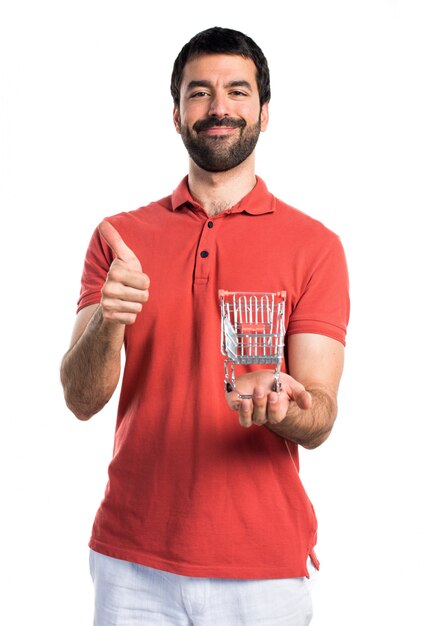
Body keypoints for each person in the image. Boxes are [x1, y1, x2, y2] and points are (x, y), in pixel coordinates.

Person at [61, 26, 350, 626]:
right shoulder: (120, 239)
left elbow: (319, 417)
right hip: (131, 563)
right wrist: (110, 321)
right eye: (200, 92)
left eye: (237, 92)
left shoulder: (315, 247)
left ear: (264, 113)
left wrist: (287, 410)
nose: (219, 107)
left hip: (264, 569)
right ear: (176, 115)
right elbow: (80, 399)